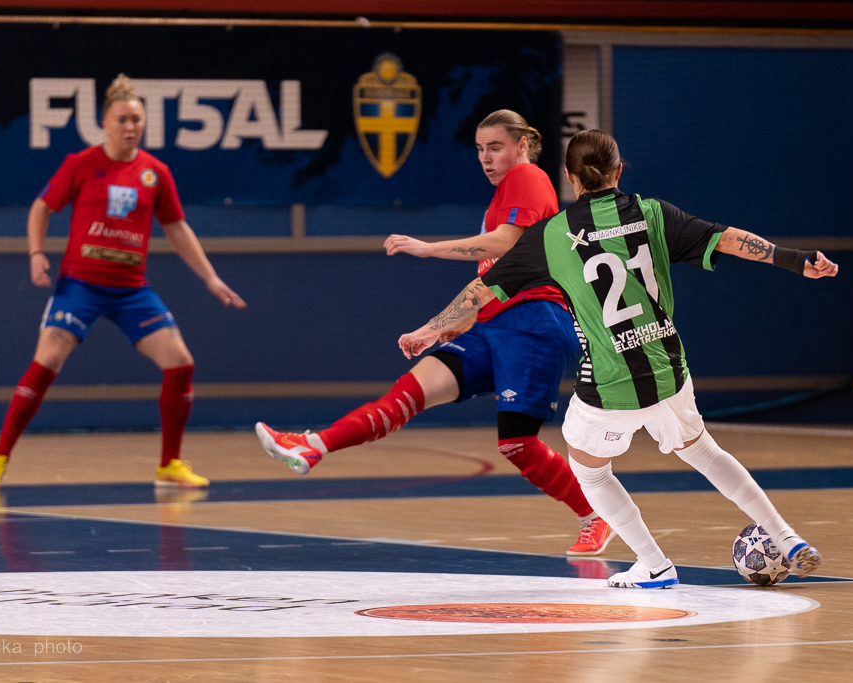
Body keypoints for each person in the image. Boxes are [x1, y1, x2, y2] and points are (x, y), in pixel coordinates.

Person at [398, 128, 837, 588]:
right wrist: (795, 259)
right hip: (668, 367)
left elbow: (482, 289)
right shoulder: (653, 213)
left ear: (569, 178)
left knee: (588, 470)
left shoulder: (553, 235)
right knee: (703, 451)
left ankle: (655, 564)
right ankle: (785, 536)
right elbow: (727, 238)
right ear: (619, 170)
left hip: (610, 382)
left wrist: (431, 328)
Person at [256, 110, 614, 556]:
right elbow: (494, 276)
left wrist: (428, 249)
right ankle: (313, 446)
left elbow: (506, 244)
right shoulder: (502, 195)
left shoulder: (528, 177)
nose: (486, 157)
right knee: (407, 394)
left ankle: (595, 514)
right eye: (480, 149)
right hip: (493, 324)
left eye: (496, 147)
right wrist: (447, 323)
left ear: (522, 145)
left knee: (517, 444)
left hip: (534, 325)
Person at [0, 74, 246, 490]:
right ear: (104, 123)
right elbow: (41, 208)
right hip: (80, 285)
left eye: (136, 120)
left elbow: (177, 228)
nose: (130, 127)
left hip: (131, 289)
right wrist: (35, 253)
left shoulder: (155, 173)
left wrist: (211, 278)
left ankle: (169, 466)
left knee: (180, 362)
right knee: (47, 359)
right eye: (122, 120)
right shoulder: (80, 164)